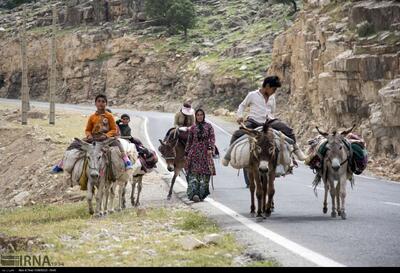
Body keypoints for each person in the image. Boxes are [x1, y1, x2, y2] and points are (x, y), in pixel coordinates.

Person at [222, 76, 306, 170]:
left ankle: (296, 150)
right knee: (237, 134)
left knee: (288, 130)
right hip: (254, 121)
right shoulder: (252, 95)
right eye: (273, 89)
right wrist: (240, 116)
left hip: (269, 121)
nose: (274, 91)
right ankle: (228, 156)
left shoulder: (272, 97)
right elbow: (242, 106)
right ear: (267, 86)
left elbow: (272, 111)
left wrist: (272, 120)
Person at [51, 94, 133, 173]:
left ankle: (127, 161)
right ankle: (60, 164)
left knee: (118, 144)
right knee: (74, 144)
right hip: (93, 138)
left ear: (106, 104)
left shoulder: (110, 116)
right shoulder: (92, 117)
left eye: (103, 101)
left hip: (106, 139)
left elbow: (113, 129)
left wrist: (106, 135)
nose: (101, 103)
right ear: (95, 103)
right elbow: (88, 129)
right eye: (99, 101)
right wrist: (89, 136)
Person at [184, 109, 216, 202]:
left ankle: (202, 194)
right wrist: (186, 153)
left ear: (204, 116)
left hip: (205, 154)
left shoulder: (209, 126)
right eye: (198, 115)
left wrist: (210, 148)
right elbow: (189, 141)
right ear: (196, 116)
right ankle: (194, 194)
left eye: (201, 114)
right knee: (193, 175)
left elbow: (212, 138)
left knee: (205, 175)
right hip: (194, 154)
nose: (199, 116)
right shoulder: (193, 128)